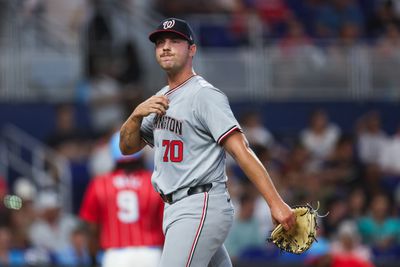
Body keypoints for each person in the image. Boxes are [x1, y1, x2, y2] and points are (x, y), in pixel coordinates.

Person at [119, 17, 295, 267]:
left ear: (192, 49)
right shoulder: (159, 99)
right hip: (176, 207)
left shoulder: (204, 94)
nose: (166, 46)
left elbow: (241, 149)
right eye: (160, 42)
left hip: (198, 204)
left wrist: (276, 203)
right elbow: (127, 147)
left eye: (174, 41)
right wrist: (135, 116)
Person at [79, 131, 164, 267]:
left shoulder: (100, 184)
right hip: (151, 254)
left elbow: (92, 229)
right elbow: (165, 223)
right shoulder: (154, 181)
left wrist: (93, 258)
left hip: (115, 257)